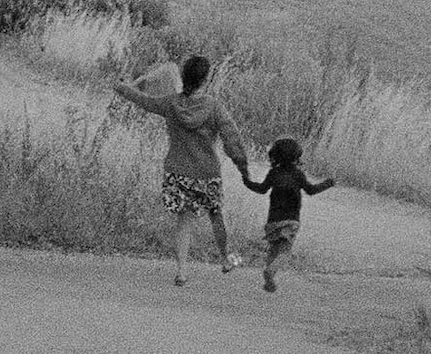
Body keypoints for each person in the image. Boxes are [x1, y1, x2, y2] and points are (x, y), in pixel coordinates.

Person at [111, 54, 249, 284]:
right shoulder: (214, 108)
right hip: (207, 173)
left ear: (184, 77)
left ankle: (182, 272)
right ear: (206, 79)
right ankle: (225, 259)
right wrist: (243, 169)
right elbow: (232, 140)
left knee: (184, 221)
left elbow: (142, 100)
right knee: (216, 216)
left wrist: (122, 87)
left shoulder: (170, 103)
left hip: (178, 172)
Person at [240, 137, 338, 291]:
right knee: (285, 251)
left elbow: (261, 189)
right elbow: (311, 190)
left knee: (273, 250)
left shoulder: (273, 173)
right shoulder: (298, 174)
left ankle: (269, 276)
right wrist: (328, 183)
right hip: (291, 220)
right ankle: (271, 271)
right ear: (295, 157)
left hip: (272, 222)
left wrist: (247, 182)